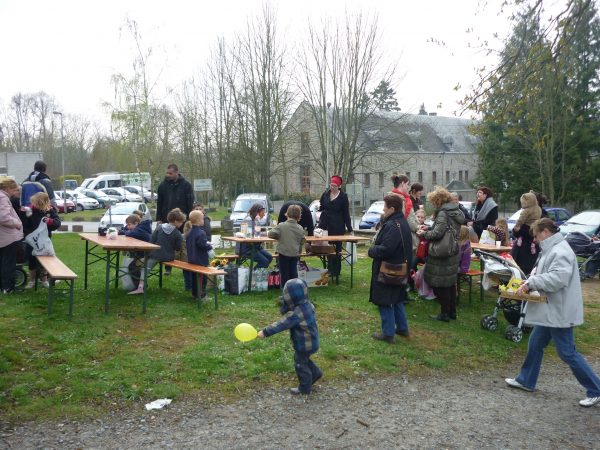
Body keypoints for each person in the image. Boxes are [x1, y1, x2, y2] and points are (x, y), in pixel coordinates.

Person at [505, 218, 600, 408]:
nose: (535, 239)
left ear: (546, 232)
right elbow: (548, 273)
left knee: (567, 353)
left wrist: (532, 283)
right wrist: (531, 279)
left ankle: (596, 389)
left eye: (536, 235)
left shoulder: (560, 251)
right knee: (535, 344)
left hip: (559, 311)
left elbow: (558, 279)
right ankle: (526, 380)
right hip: (552, 310)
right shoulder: (554, 249)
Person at [257, 278, 322, 395]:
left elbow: (281, 324)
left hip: (304, 344)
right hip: (313, 341)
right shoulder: (308, 305)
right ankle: (316, 373)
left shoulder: (295, 314)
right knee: (304, 359)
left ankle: (305, 388)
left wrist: (265, 332)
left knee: (300, 364)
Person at [417, 186, 467, 322]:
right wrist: (429, 227)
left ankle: (444, 314)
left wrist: (424, 233)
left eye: (433, 202)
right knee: (449, 283)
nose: (432, 204)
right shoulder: (455, 211)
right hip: (452, 250)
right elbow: (445, 228)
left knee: (440, 284)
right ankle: (452, 312)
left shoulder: (443, 213)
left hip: (441, 252)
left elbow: (437, 233)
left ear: (438, 201)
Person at [368, 194, 412, 343]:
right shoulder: (402, 222)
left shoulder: (393, 225)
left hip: (389, 269)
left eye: (385, 207)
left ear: (392, 209)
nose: (383, 210)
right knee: (397, 298)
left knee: (385, 300)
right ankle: (402, 328)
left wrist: (372, 251)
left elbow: (386, 249)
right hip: (400, 267)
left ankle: (388, 333)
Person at [128, 208, 185, 295]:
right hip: (168, 257)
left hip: (154, 254)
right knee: (148, 264)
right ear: (176, 221)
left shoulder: (159, 227)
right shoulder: (177, 233)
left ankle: (140, 287)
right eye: (181, 222)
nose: (182, 224)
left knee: (145, 268)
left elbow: (152, 241)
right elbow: (178, 248)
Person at [156, 164, 193, 275]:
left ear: (177, 172)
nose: (168, 175)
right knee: (167, 243)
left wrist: (189, 219)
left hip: (182, 219)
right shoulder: (162, 186)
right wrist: (159, 218)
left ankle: (186, 267)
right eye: (167, 173)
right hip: (167, 218)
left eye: (170, 173)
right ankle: (168, 267)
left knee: (183, 243)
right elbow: (159, 203)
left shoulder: (186, 185)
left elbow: (190, 202)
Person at [22, 192, 61, 289]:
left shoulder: (50, 210)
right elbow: (25, 225)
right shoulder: (30, 210)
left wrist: (50, 221)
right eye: (34, 203)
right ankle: (32, 280)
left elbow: (57, 223)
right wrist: (28, 234)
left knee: (45, 260)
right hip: (32, 241)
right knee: (32, 260)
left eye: (37, 204)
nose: (34, 205)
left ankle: (44, 280)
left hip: (44, 241)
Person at [318, 175, 352, 277]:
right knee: (327, 247)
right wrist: (318, 209)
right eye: (331, 185)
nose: (332, 187)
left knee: (337, 249)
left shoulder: (343, 197)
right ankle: (329, 269)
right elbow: (321, 206)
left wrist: (349, 228)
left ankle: (336, 271)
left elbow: (346, 213)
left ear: (339, 186)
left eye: (334, 186)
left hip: (338, 225)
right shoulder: (325, 194)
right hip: (325, 225)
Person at [268, 204, 305, 287]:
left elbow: (270, 234)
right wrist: (299, 251)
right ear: (299, 216)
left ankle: (286, 290)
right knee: (293, 272)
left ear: (287, 214)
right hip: (294, 253)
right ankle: (295, 288)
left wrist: (279, 236)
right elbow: (302, 240)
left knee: (284, 273)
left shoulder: (282, 225)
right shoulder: (300, 228)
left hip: (283, 253)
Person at [0, 178, 24, 294]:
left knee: (3, 262)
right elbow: (3, 218)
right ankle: (8, 288)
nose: (15, 193)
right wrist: (17, 223)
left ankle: (3, 287)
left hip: (3, 236)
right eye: (14, 190)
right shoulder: (3, 198)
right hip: (7, 237)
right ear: (7, 188)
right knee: (8, 263)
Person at [511, 191, 542, 276]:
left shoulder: (526, 211)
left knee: (519, 268)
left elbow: (520, 221)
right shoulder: (539, 209)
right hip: (533, 248)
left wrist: (516, 228)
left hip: (522, 248)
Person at [236, 203, 273, 269]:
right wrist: (266, 233)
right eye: (263, 212)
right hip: (246, 249)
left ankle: (259, 272)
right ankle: (253, 273)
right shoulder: (248, 220)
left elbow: (257, 233)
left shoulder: (255, 220)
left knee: (269, 257)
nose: (264, 214)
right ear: (257, 212)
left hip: (255, 247)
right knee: (264, 261)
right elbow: (252, 234)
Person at [186, 210, 213, 299]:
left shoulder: (189, 232)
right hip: (200, 260)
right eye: (202, 219)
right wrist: (209, 246)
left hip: (191, 258)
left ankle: (194, 294)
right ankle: (201, 295)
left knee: (194, 278)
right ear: (198, 221)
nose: (203, 220)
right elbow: (202, 245)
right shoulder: (201, 232)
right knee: (202, 278)